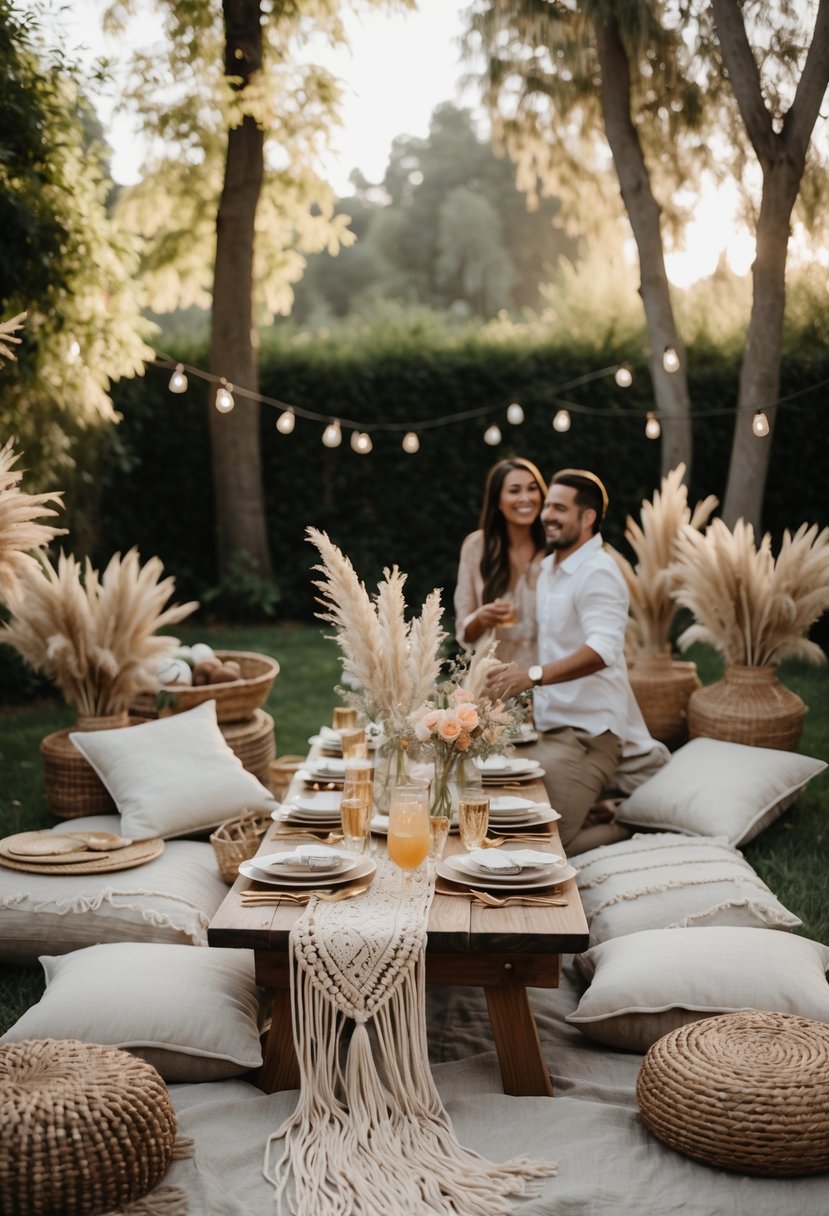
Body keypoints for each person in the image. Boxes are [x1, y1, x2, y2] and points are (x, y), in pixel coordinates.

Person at [486, 468, 666, 855]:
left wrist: (531, 677)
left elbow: (603, 650)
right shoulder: (552, 569)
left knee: (547, 846)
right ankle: (595, 811)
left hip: (588, 735)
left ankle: (630, 825)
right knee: (502, 817)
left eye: (559, 508)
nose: (546, 514)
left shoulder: (598, 572)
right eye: (547, 505)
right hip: (551, 730)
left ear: (587, 518)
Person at [454, 457, 547, 668]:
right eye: (514, 490)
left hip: (547, 677)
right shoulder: (477, 547)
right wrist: (481, 618)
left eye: (532, 489)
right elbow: (465, 633)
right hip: (494, 676)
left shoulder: (554, 549)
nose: (525, 498)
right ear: (498, 500)